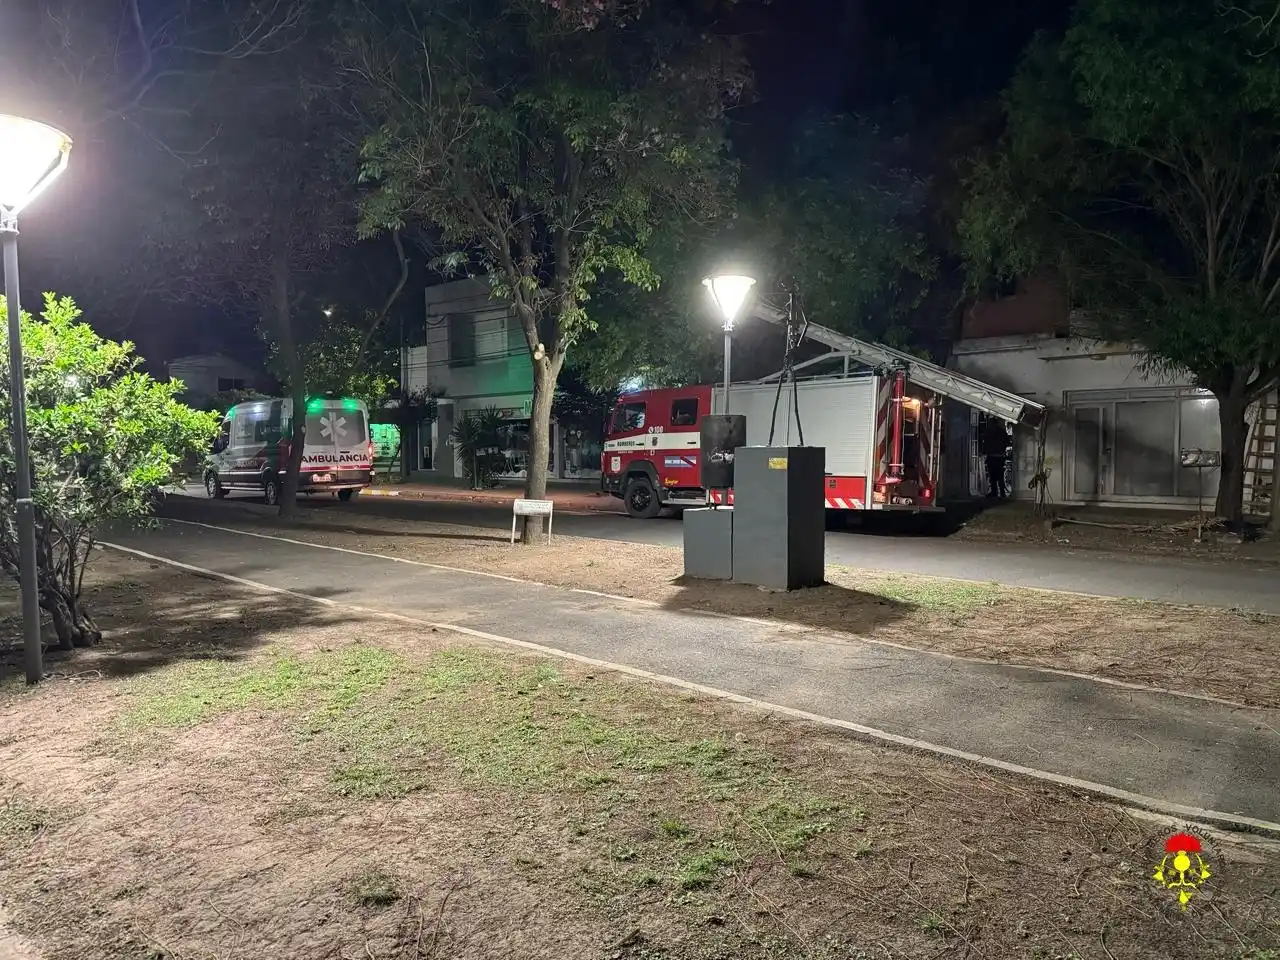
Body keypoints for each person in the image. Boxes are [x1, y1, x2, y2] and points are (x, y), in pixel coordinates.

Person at [980, 417, 1010, 499]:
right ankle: (1002, 493)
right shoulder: (1002, 432)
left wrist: (983, 451)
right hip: (1000, 456)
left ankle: (994, 492)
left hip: (991, 456)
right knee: (1000, 475)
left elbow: (984, 444)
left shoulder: (988, 432)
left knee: (992, 476)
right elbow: (1007, 443)